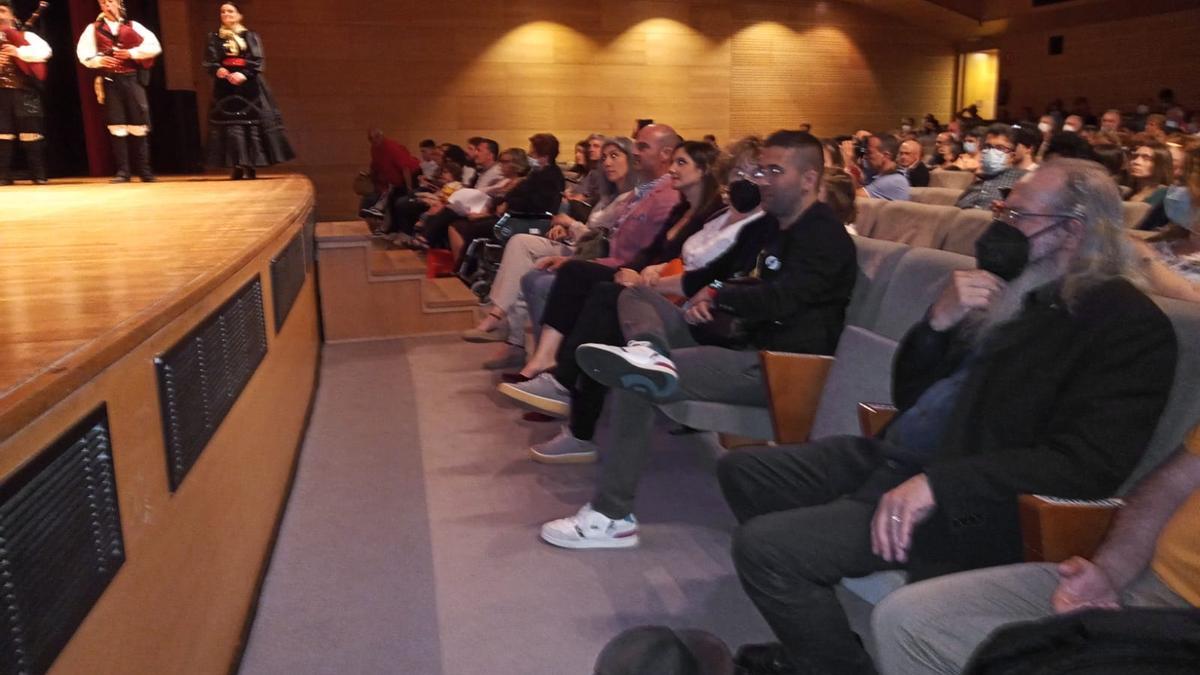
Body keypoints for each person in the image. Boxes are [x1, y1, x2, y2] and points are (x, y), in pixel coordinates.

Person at [716, 159, 1176, 674]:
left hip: (973, 501)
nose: (1000, 227)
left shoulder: (1127, 325)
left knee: (765, 550)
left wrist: (941, 484)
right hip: (899, 456)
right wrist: (938, 323)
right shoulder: (1015, 293)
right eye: (1002, 209)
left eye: (1017, 215)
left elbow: (1086, 465)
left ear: (1072, 230)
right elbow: (911, 392)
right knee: (744, 470)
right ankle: (817, 647)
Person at [538, 130, 857, 549]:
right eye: (761, 169)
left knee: (636, 381)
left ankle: (612, 516)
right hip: (735, 338)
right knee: (634, 294)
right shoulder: (770, 229)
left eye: (775, 171)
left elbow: (783, 298)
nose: (762, 179)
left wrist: (723, 294)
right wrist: (715, 291)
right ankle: (649, 351)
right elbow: (719, 274)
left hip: (779, 364)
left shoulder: (824, 236)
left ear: (809, 178)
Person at [872, 424, 1200, 675]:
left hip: (1183, 627)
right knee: (906, 618)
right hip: (1145, 581)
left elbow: (1080, 465)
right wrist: (1111, 571)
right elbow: (1169, 487)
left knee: (1025, 656)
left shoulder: (1133, 342)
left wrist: (944, 483)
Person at [461, 137, 637, 361]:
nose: (607, 163)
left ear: (631, 160)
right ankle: (501, 320)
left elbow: (605, 242)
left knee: (528, 266)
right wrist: (568, 229)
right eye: (604, 158)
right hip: (577, 245)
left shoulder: (632, 198)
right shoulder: (607, 196)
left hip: (593, 255)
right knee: (519, 243)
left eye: (614, 156)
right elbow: (591, 232)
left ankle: (510, 334)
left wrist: (571, 224)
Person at [203, 2, 294, 180]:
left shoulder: (249, 36)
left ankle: (251, 163)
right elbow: (210, 60)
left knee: (250, 124)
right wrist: (217, 70)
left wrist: (244, 74)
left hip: (248, 85)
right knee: (232, 125)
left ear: (239, 15)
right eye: (223, 12)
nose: (226, 14)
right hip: (225, 87)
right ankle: (237, 164)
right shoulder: (214, 37)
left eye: (230, 11)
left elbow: (257, 59)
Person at [76, 0, 162, 183]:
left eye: (111, 1)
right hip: (111, 80)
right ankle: (123, 171)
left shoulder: (133, 26)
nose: (107, 6)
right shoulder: (93, 28)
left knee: (138, 123)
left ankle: (145, 171)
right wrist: (99, 61)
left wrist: (132, 53)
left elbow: (155, 47)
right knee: (117, 124)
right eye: (104, 2)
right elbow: (84, 54)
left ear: (119, 4)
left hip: (132, 79)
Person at [0, 0, 51, 185]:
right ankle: (3, 176)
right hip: (1, 95)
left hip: (25, 92)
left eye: (2, 11)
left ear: (12, 15)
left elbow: (45, 52)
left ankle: (38, 175)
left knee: (31, 133)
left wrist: (17, 51)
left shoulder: (26, 35)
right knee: (2, 134)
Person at [955, 124, 1026, 209]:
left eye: (999, 148)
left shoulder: (1023, 181)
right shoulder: (980, 179)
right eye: (987, 146)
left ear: (1012, 156)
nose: (991, 151)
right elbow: (958, 208)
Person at [359, 128, 420, 221]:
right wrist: (370, 177)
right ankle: (383, 228)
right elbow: (375, 166)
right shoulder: (374, 149)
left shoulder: (391, 147)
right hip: (394, 182)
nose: (374, 140)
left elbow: (405, 168)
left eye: (376, 137)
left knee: (397, 203)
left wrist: (409, 188)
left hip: (411, 177)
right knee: (371, 202)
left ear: (381, 136)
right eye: (371, 139)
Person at [857, 133, 910, 201]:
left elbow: (850, 197)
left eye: (869, 153)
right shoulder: (878, 173)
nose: (865, 156)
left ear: (886, 155)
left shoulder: (894, 180)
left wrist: (848, 160)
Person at [1127, 142, 1173, 207]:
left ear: (1160, 163)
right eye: (1135, 157)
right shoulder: (1126, 193)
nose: (1136, 162)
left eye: (1146, 158)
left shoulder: (1166, 196)